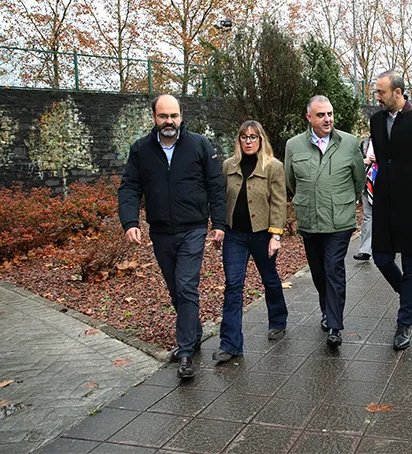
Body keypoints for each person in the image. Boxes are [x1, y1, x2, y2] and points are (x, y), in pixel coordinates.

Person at [118, 94, 226, 379]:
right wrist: (130, 222)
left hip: (193, 229)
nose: (169, 122)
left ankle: (186, 352)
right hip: (161, 231)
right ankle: (194, 332)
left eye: (174, 116)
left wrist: (219, 223)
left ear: (181, 116)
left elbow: (216, 185)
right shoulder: (141, 150)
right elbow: (129, 187)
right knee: (176, 289)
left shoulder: (199, 144)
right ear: (154, 117)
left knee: (186, 285)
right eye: (163, 116)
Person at [284, 95, 365, 348]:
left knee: (333, 268)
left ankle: (334, 325)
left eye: (330, 114)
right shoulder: (294, 145)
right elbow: (291, 181)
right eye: (321, 115)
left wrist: (342, 200)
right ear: (309, 118)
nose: (327, 119)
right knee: (318, 272)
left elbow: (358, 180)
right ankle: (326, 309)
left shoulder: (349, 143)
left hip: (339, 221)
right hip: (309, 219)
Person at [370, 70, 412, 350]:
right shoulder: (376, 120)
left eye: (381, 92)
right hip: (384, 202)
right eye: (376, 91)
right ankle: (407, 294)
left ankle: (404, 324)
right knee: (381, 257)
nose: (377, 97)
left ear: (398, 93)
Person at [214, 121, 288, 363]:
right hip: (234, 235)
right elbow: (220, 198)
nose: (248, 141)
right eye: (244, 137)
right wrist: (218, 228)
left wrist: (276, 235)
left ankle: (278, 319)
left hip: (262, 234)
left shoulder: (273, 167)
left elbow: (279, 202)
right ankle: (231, 343)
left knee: (269, 278)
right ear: (238, 140)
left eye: (253, 137)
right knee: (233, 285)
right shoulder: (228, 166)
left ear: (261, 140)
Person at [353, 135, 376, 261]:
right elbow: (355, 161)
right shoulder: (365, 142)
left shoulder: (392, 138)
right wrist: (364, 161)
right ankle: (365, 250)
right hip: (367, 184)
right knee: (368, 217)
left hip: (386, 185)